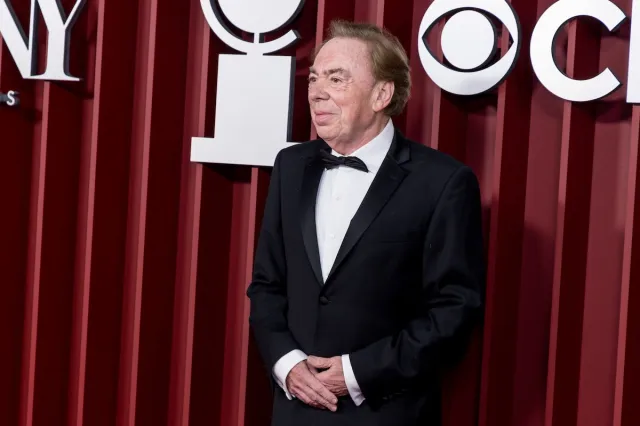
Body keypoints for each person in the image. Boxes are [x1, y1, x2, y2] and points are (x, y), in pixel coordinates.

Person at [246, 20, 485, 426]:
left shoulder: (443, 182)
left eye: (336, 79)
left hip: (387, 411)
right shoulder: (290, 166)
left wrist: (359, 372)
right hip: (294, 410)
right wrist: (286, 363)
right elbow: (267, 284)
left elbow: (454, 311)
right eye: (314, 78)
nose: (316, 92)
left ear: (381, 94)